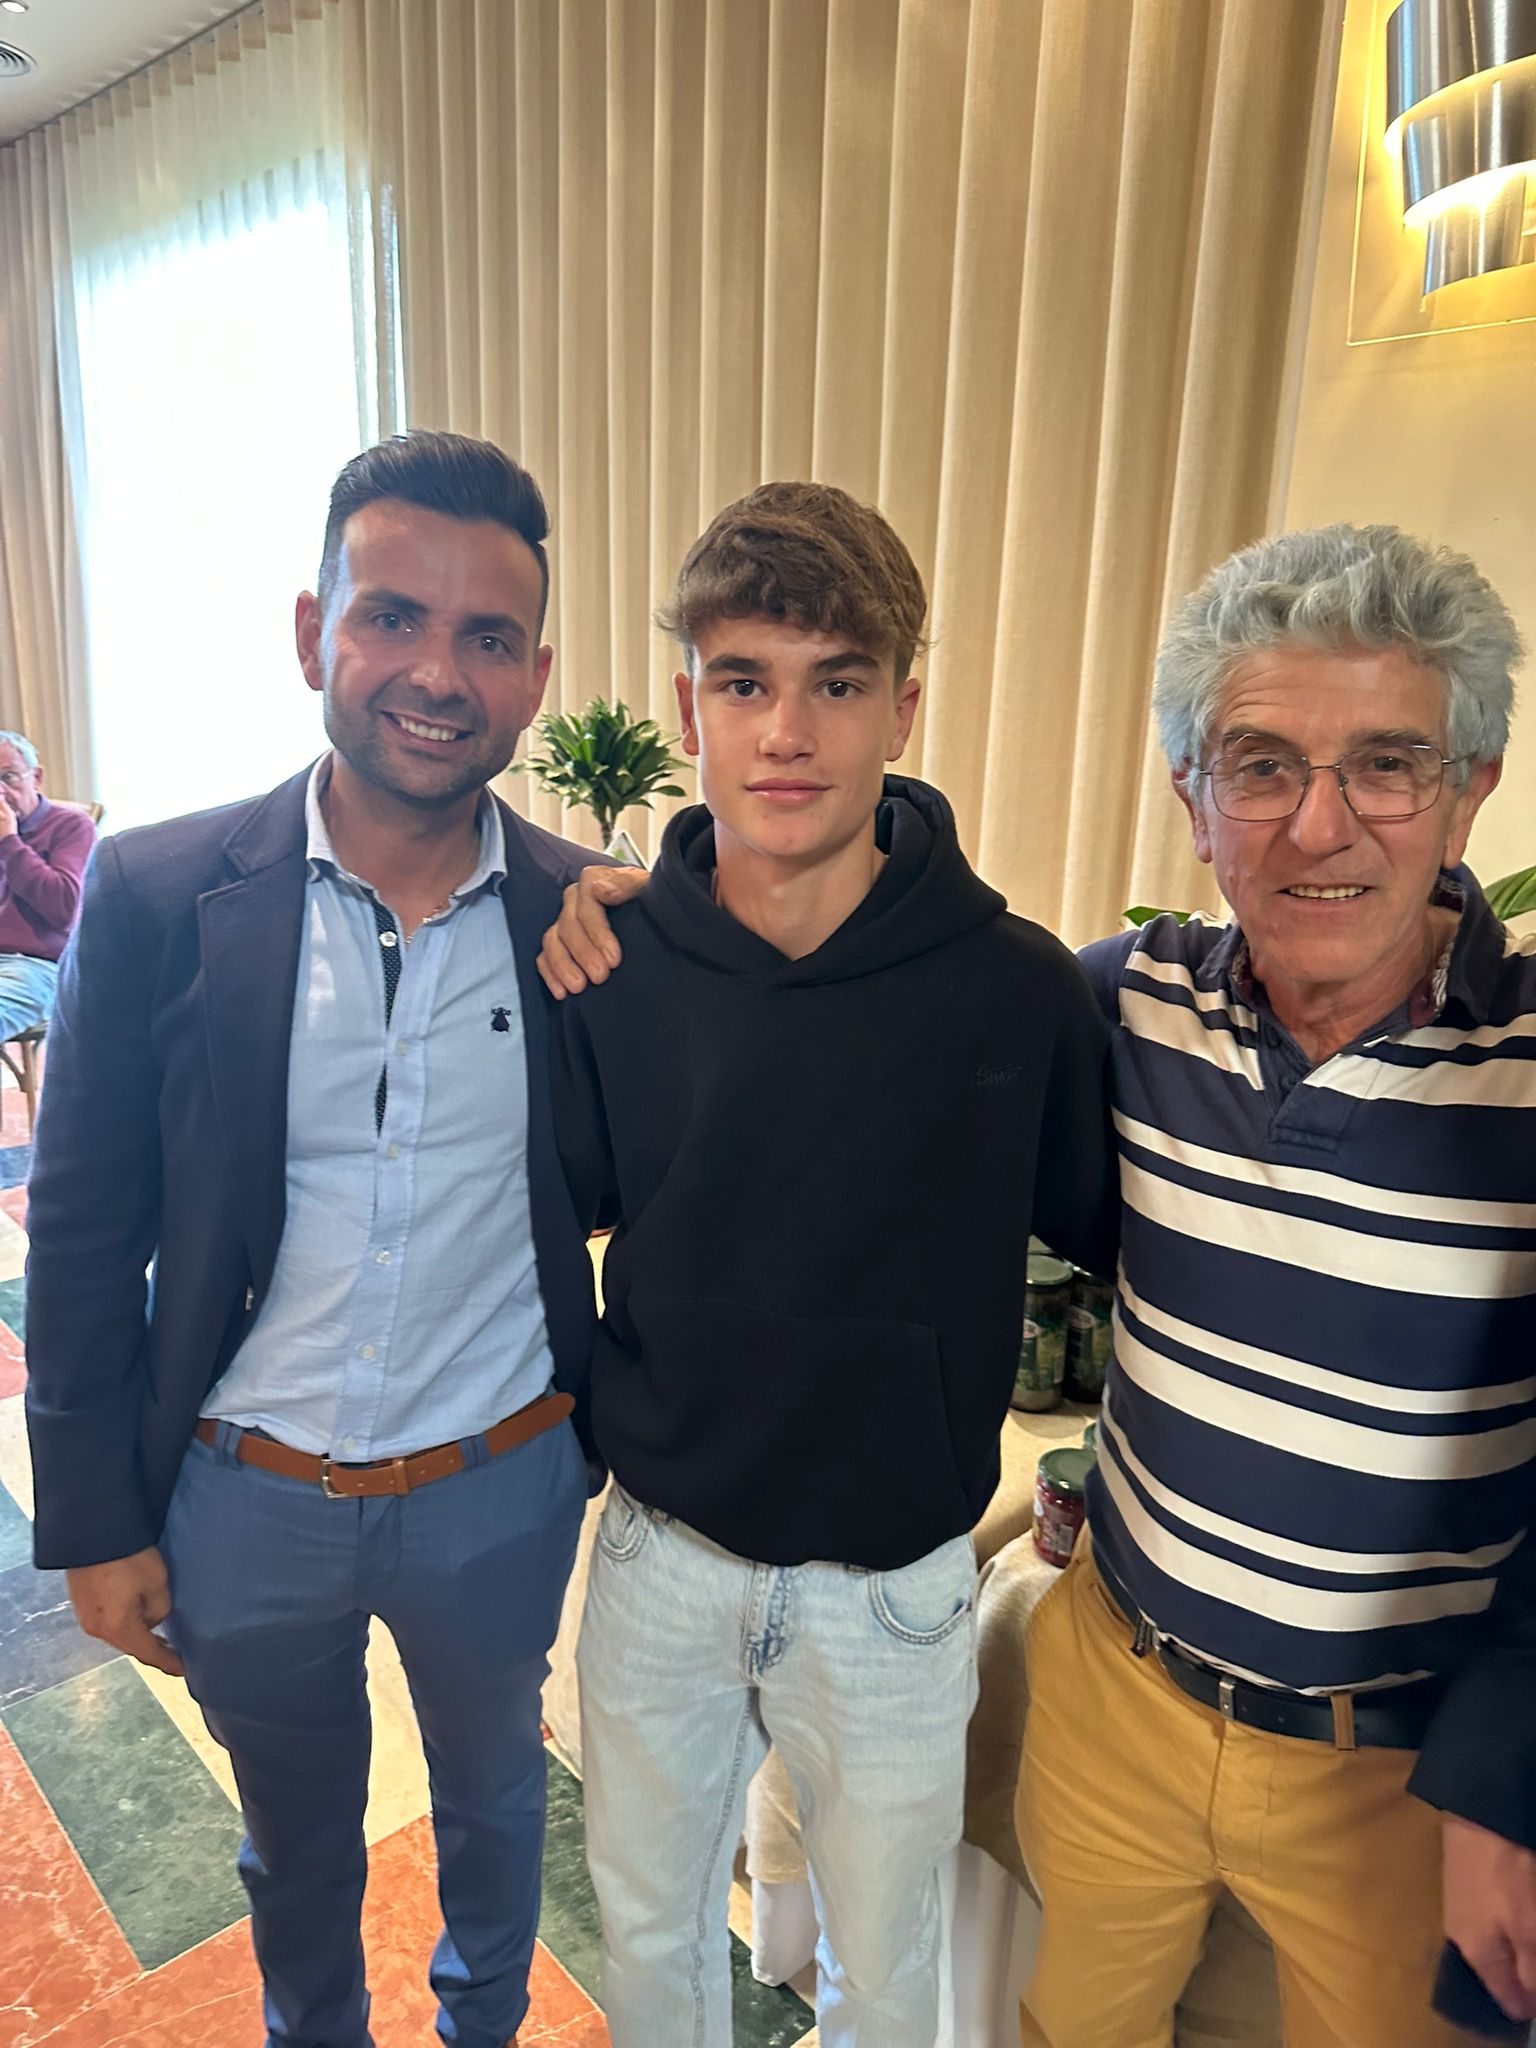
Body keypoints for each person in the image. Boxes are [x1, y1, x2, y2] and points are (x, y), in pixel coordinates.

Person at [538, 522, 1536, 2048]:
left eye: (1388, 765)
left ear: (1471, 785)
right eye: (1263, 766)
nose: (1320, 825)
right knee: (761, 1953)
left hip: (1029, 1628)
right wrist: (601, 905)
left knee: (898, 1973)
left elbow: (1075, 1205)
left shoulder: (1021, 992)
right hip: (814, 1598)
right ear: (1197, 798)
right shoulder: (1123, 998)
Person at [26, 431, 609, 2048]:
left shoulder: (583, 921)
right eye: (392, 616)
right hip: (245, 1493)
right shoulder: (158, 891)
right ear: (313, 633)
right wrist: (93, 1519)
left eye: (487, 636)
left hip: (498, 1483)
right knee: (293, 1845)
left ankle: (482, 2027)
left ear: (534, 674)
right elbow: (82, 1228)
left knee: (498, 1806)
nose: (438, 672)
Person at [548, 480, 1118, 2048]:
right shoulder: (613, 966)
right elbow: (555, 1210)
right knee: (650, 1935)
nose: (787, 733)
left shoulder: (1016, 992)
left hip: (895, 1592)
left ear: (903, 709)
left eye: (838, 683)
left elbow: (1121, 1244)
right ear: (691, 708)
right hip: (659, 1555)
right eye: (745, 683)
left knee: (887, 1966)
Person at [0, 728, 96, 1038]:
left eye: (8, 777)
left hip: (34, 965)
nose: (1, 792)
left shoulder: (71, 826)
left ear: (36, 777)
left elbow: (64, 909)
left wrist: (9, 841)